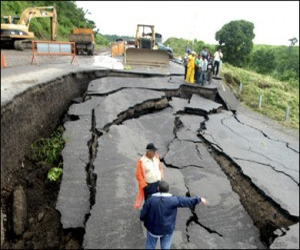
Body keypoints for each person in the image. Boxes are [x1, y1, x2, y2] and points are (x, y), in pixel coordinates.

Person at [140, 180, 209, 249]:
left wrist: (143, 219)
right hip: (167, 229)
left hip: (153, 229)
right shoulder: (174, 200)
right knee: (165, 247)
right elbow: (187, 201)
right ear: (168, 190)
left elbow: (143, 214)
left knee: (150, 246)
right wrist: (199, 199)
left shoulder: (150, 200)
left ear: (158, 189)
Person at [133, 143, 164, 209]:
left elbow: (160, 167)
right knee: (149, 201)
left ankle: (155, 213)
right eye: (153, 151)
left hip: (158, 183)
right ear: (148, 151)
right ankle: (148, 215)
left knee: (158, 200)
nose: (155, 153)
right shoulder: (142, 161)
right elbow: (138, 174)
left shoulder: (156, 157)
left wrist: (161, 176)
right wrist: (144, 185)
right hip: (149, 185)